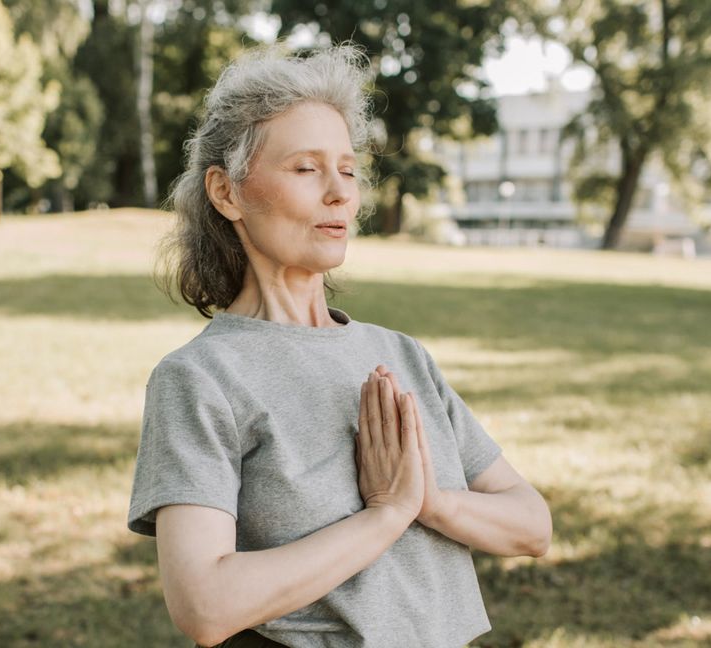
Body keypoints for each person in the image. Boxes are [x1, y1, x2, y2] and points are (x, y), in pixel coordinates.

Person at [127, 44, 552, 648]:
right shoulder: (201, 378)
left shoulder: (403, 357)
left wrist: (429, 500)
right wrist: (384, 516)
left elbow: (532, 526)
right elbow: (205, 605)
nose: (340, 194)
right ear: (226, 192)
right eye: (306, 169)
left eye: (348, 170)